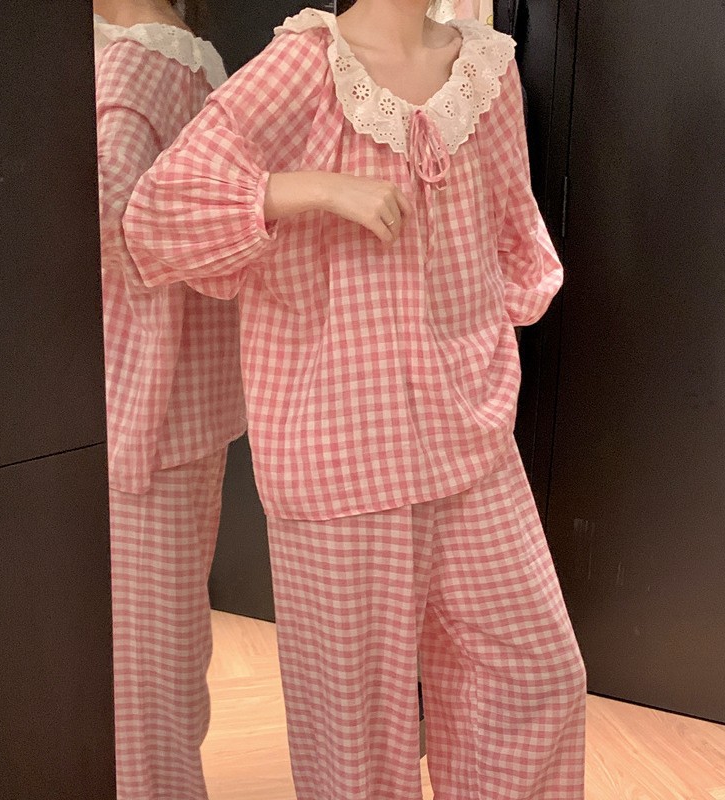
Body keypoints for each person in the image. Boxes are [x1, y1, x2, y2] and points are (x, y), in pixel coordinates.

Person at [124, 2, 587, 798]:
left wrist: (471, 334)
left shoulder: (488, 71)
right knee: (354, 738)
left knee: (537, 674)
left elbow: (514, 232)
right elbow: (159, 212)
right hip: (340, 453)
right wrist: (312, 189)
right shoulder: (304, 67)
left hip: (470, 438)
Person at [93, 2, 246, 798]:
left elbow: (117, 228)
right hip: (196, 399)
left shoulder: (127, 69)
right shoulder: (200, 62)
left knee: (140, 659)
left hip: (139, 401)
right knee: (173, 640)